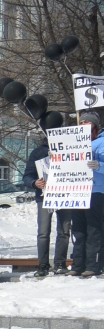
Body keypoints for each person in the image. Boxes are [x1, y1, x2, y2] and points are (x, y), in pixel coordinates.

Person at [22, 136, 70, 277]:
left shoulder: (69, 150)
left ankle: (60, 263)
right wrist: (34, 182)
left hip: (65, 195)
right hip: (44, 196)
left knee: (64, 230)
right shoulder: (38, 152)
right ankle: (43, 265)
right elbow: (27, 176)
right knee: (43, 232)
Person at [69, 112, 104, 278]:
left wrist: (98, 165)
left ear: (95, 127)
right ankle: (78, 264)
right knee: (78, 229)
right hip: (78, 190)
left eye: (87, 122)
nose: (82, 124)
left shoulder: (102, 142)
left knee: (93, 229)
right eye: (81, 121)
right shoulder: (73, 142)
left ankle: (93, 264)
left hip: (96, 190)